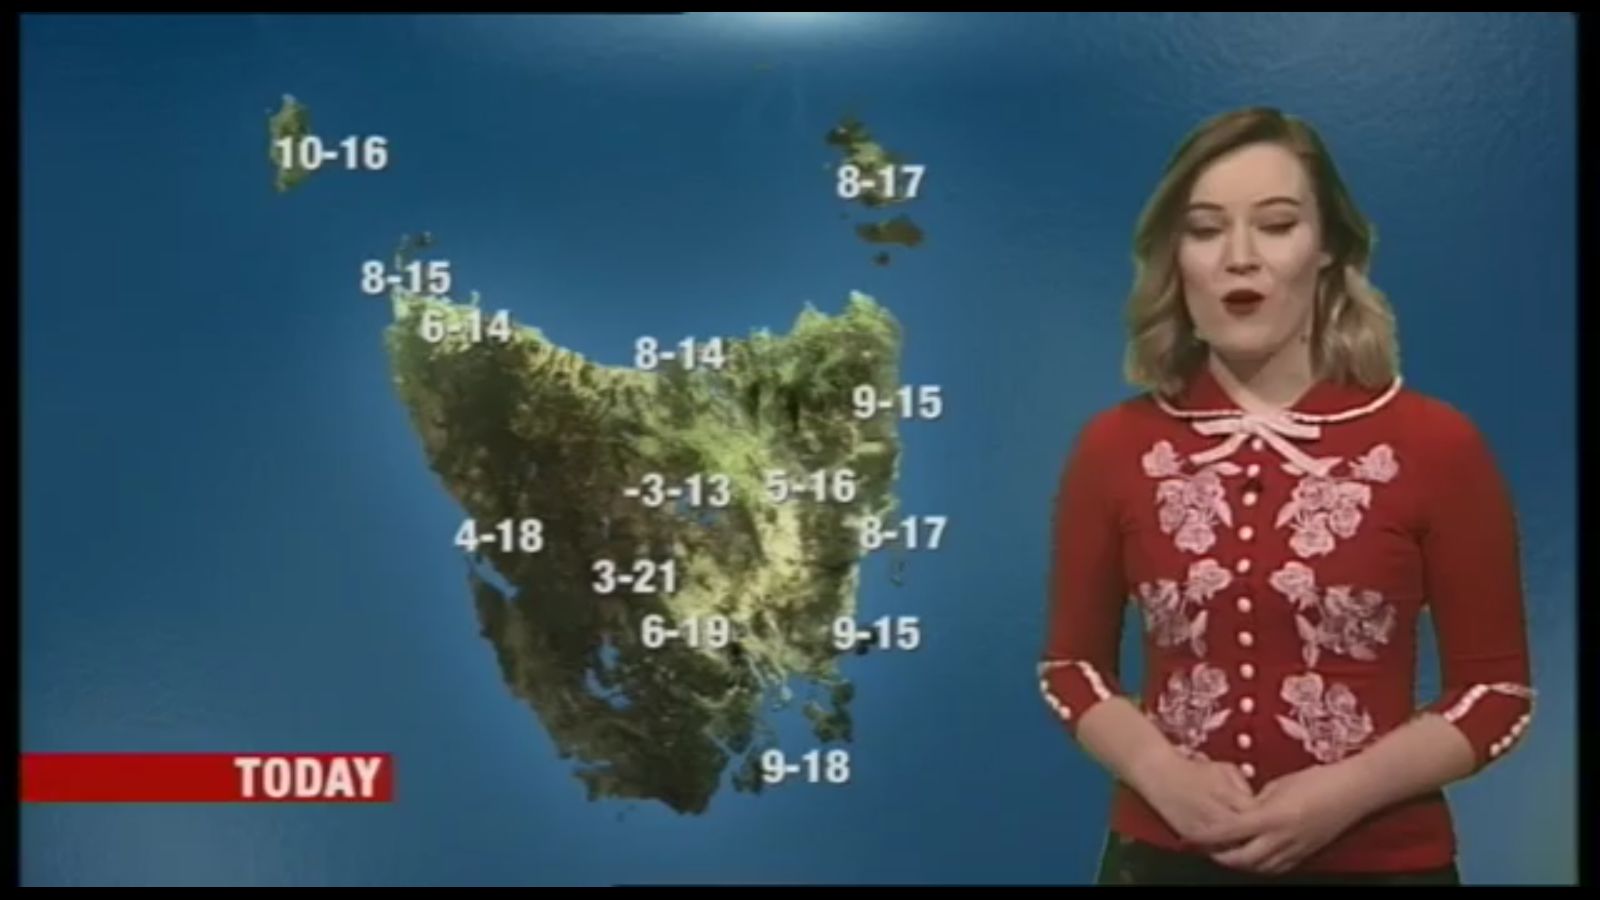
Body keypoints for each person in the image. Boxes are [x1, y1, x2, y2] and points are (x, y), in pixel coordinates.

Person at [1038, 107, 1534, 885]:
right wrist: (1160, 773)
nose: (1240, 258)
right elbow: (1071, 667)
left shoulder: (1438, 446)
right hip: (1162, 862)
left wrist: (1341, 795)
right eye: (1205, 230)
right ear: (1175, 256)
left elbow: (1495, 692)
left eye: (1275, 225)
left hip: (1381, 866)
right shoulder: (1114, 447)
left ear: (1327, 246)